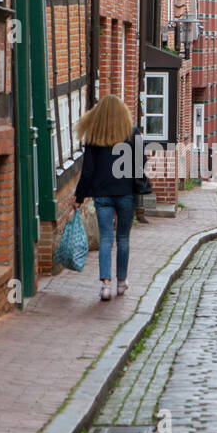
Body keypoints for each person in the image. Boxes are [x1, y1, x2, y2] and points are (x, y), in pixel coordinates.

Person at [74, 95, 144, 301]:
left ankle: (105, 285)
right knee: (123, 238)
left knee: (106, 238)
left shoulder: (95, 136)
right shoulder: (132, 133)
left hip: (103, 195)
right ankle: (121, 282)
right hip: (126, 193)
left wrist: (79, 197)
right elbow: (141, 162)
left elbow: (87, 172)